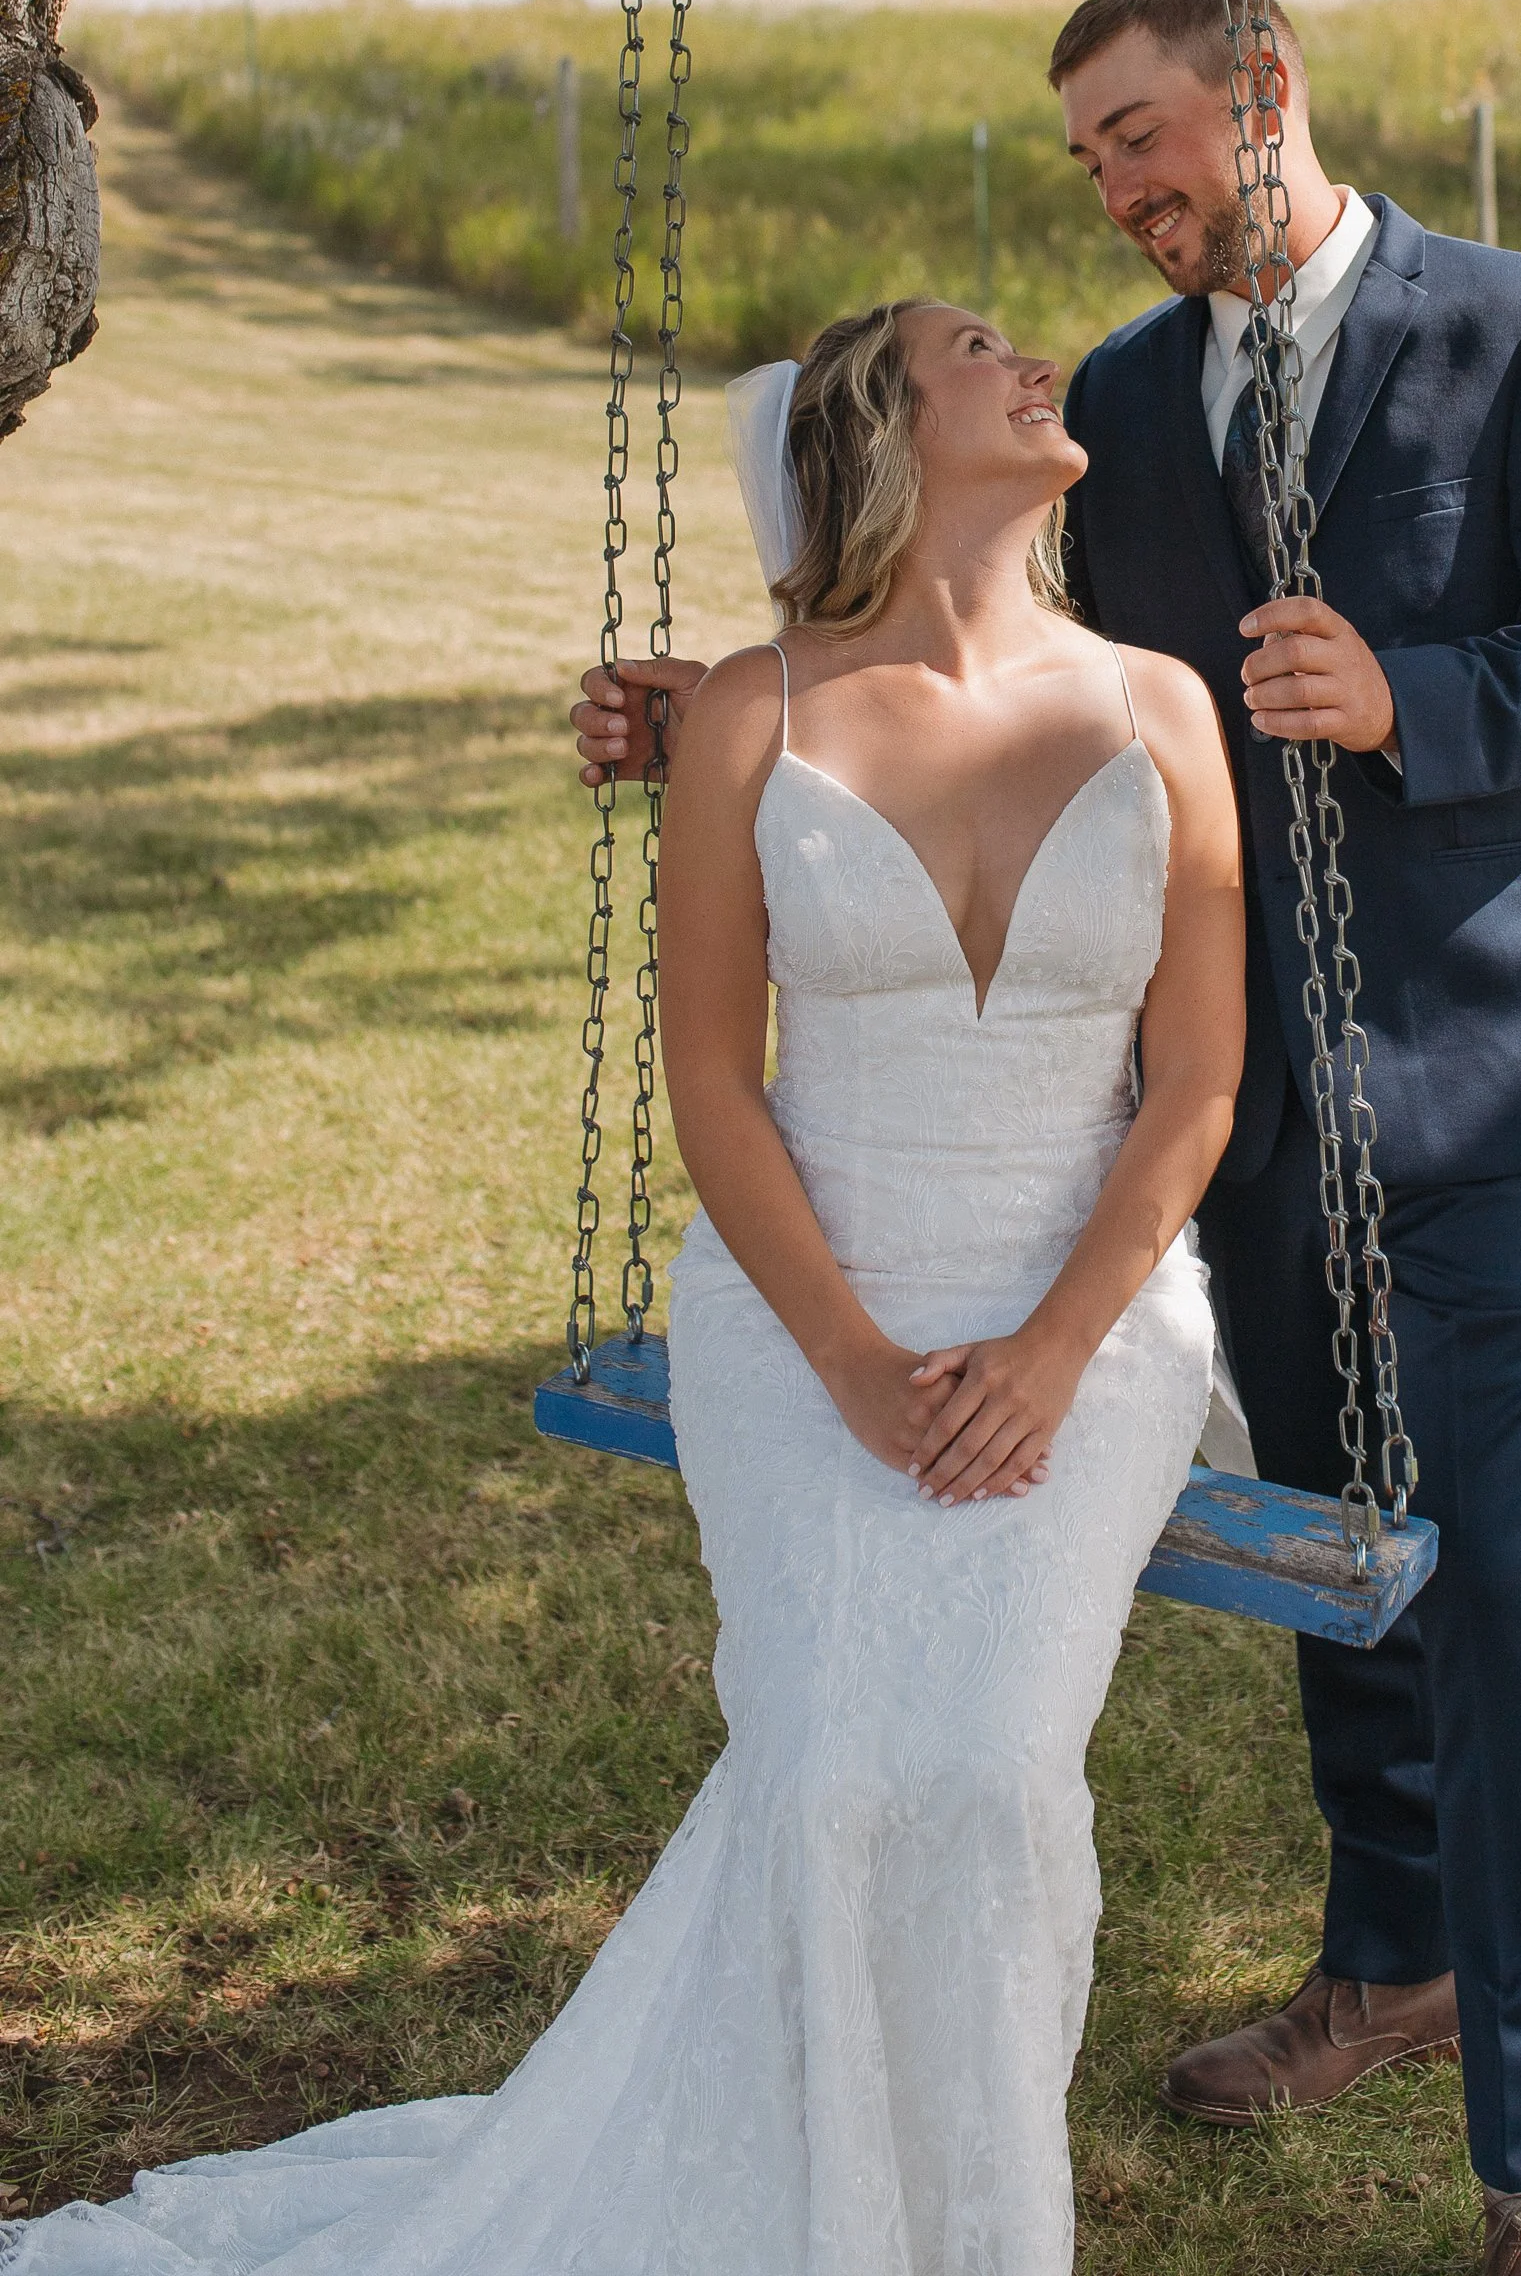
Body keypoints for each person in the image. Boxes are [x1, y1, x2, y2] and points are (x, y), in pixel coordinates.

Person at [571, 0, 1521, 2276]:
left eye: (1139, 136)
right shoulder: (1141, 407)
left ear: (1262, 93)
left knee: (1493, 1592)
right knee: (1336, 1560)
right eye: (1088, 157)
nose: (1117, 189)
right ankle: (1388, 1959)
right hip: (1227, 1100)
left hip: (1486, 1076)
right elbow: (985, 652)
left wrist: (1417, 694)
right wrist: (726, 709)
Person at [10, 297, 1245, 2276]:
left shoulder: (1162, 707)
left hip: (1081, 1318)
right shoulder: (752, 718)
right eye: (982, 345)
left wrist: (1051, 1345)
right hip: (805, 1310)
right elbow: (709, 1079)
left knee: (994, 1772)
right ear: (883, 430)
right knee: (840, 1767)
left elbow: (1196, 1082)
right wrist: (850, 1358)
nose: (1040, 364)